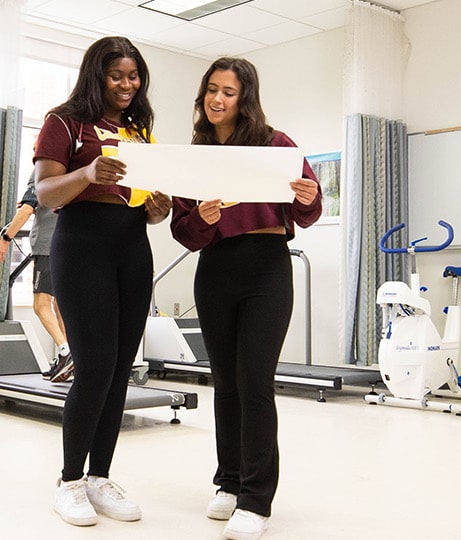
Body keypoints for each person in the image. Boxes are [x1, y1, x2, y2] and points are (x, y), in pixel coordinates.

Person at [169, 57, 322, 540]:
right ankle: (229, 483)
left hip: (266, 266)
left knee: (255, 381)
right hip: (216, 269)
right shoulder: (195, 153)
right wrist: (205, 218)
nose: (217, 99)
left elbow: (310, 210)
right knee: (226, 383)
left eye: (228, 92)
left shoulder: (276, 145)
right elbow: (184, 232)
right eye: (211, 90)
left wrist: (306, 195)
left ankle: (257, 500)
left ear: (245, 97)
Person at [34, 36, 172, 527]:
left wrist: (158, 210)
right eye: (117, 75)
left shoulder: (138, 127)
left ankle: (99, 477)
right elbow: (46, 190)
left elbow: (148, 197)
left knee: (119, 368)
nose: (127, 84)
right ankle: (70, 480)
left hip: (133, 245)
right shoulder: (63, 121)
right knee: (93, 366)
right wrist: (89, 171)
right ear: (97, 73)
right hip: (83, 244)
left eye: (134, 76)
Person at [0, 181, 73, 382]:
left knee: (40, 304)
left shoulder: (41, 174)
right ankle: (73, 361)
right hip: (69, 245)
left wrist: (5, 238)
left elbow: (26, 210)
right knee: (60, 306)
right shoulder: (68, 173)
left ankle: (65, 352)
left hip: (47, 249)